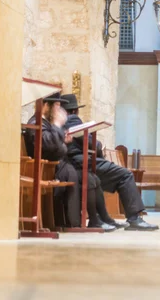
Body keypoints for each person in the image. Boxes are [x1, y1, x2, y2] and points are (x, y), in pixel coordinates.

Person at [61, 93, 159, 231]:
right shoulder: (72, 119)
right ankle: (134, 218)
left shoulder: (62, 122)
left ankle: (105, 218)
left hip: (77, 163)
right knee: (125, 175)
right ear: (73, 110)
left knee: (98, 181)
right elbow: (90, 142)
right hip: (83, 162)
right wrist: (99, 146)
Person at [23, 93, 117, 232]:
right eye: (56, 106)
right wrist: (57, 126)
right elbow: (48, 144)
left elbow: (58, 147)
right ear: (45, 106)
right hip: (47, 168)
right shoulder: (36, 123)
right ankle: (79, 222)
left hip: (57, 166)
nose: (58, 110)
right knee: (88, 179)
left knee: (93, 178)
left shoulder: (46, 123)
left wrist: (62, 141)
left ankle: (99, 219)